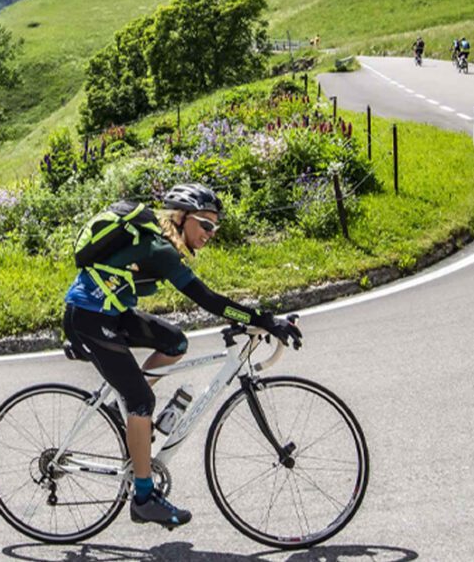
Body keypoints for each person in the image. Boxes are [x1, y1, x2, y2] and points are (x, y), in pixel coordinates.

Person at [62, 183, 303, 529]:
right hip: (88, 319)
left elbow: (210, 300)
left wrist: (260, 319)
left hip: (110, 314)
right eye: (205, 224)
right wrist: (264, 320)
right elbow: (207, 300)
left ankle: (121, 409)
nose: (210, 233)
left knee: (174, 342)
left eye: (215, 227)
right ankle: (143, 498)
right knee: (142, 400)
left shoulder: (161, 243)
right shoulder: (159, 249)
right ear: (182, 217)